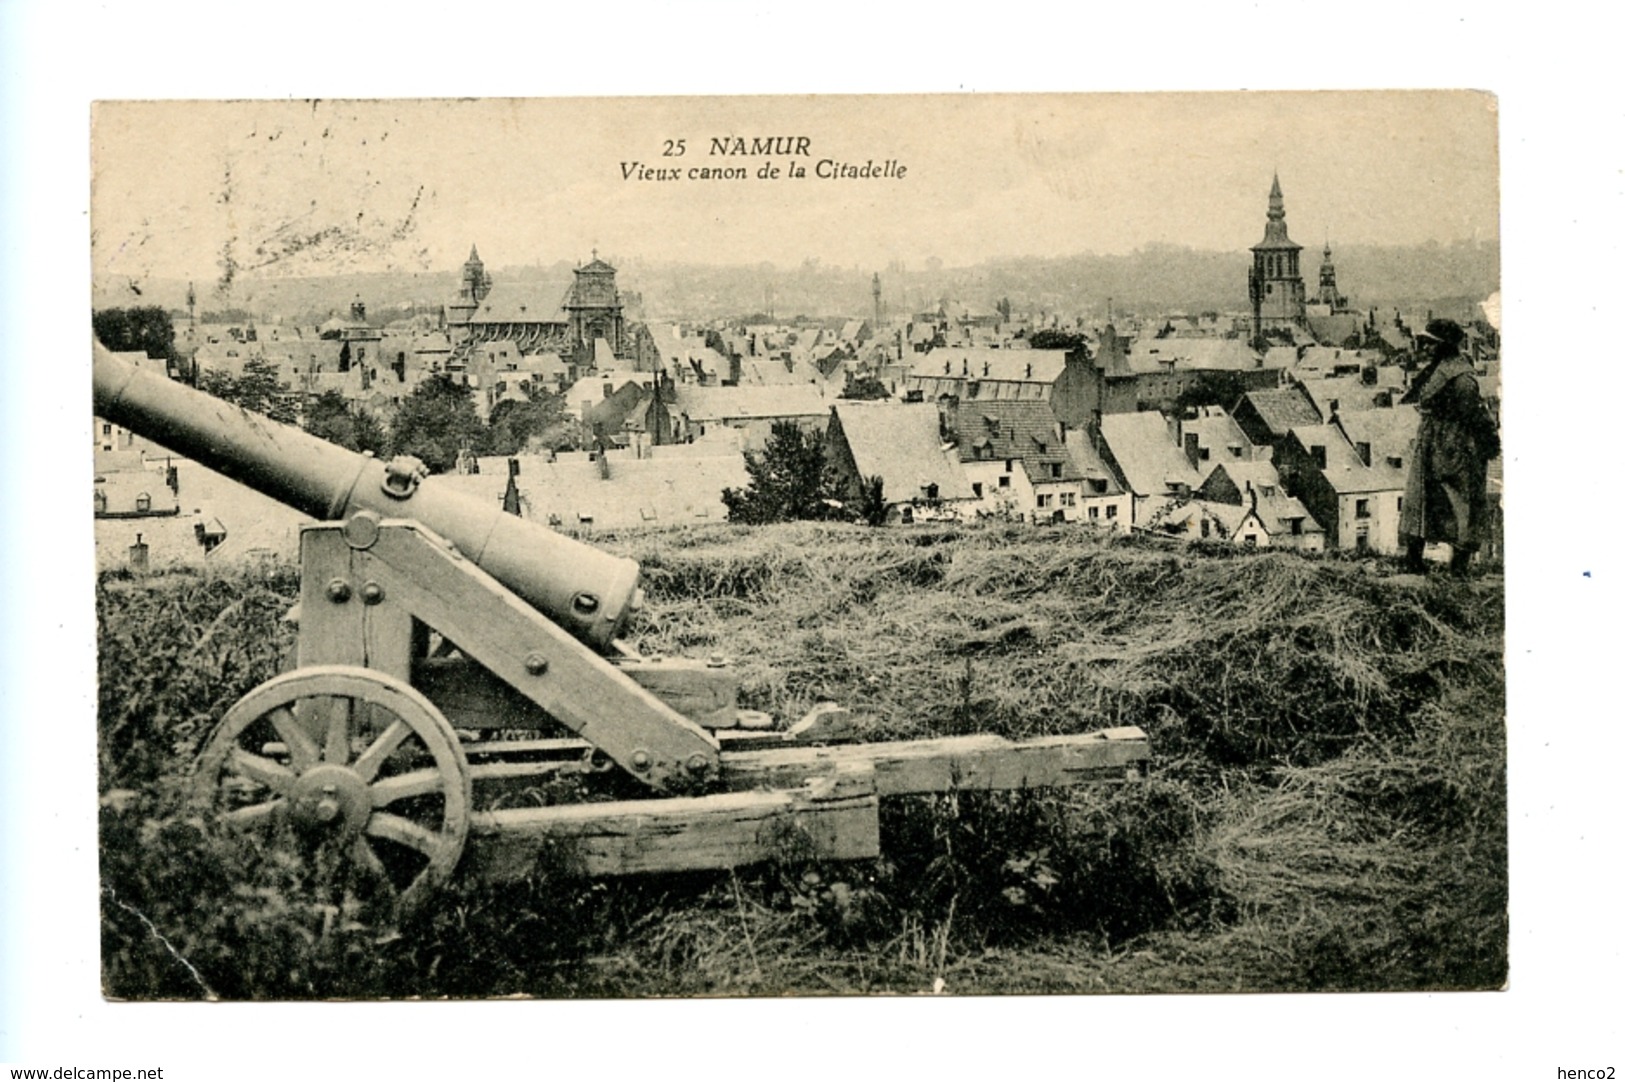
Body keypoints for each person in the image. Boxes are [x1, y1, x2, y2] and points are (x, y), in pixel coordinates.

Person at [1398, 318, 1500, 575]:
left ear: (1445, 346)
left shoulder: (1461, 377)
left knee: (1460, 503)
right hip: (1435, 442)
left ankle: (1459, 566)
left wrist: (1486, 441)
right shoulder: (1442, 368)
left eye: (1431, 344)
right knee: (1421, 500)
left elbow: (1473, 412)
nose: (1425, 348)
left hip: (1456, 446)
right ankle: (1414, 560)